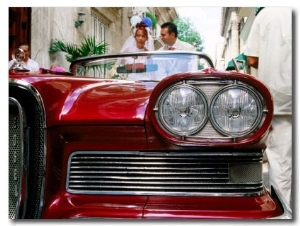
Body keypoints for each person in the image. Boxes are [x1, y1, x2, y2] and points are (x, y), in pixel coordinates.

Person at [243, 7, 292, 207]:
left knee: (281, 161)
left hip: (280, 95)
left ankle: (287, 210)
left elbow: (252, 58)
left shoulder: (266, 14)